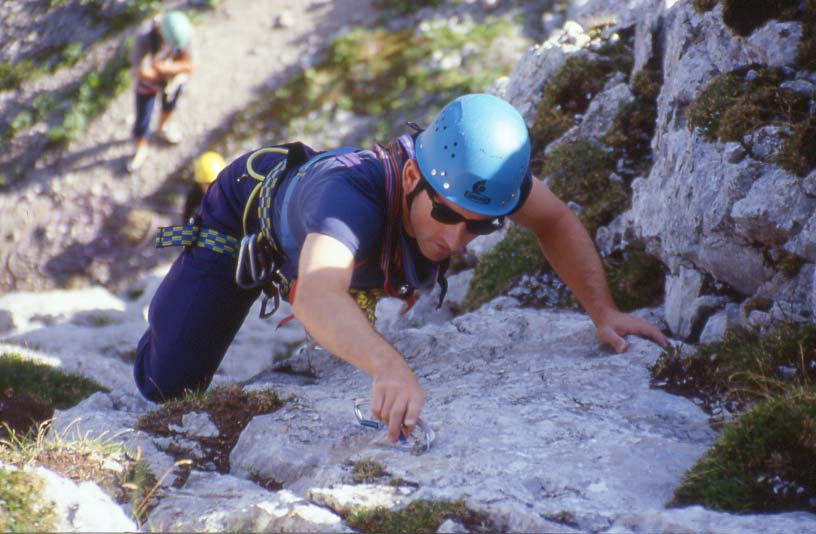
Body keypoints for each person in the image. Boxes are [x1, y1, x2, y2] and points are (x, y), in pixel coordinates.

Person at [136, 93, 668, 443]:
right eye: (444, 214)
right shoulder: (351, 200)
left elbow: (555, 221)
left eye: (481, 226)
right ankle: (160, 317)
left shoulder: (474, 182)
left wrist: (604, 311)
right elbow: (316, 296)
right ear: (412, 173)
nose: (456, 239)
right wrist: (388, 366)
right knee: (166, 385)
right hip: (244, 216)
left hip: (327, 229)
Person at [126, 11, 194, 173]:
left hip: (173, 82)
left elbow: (190, 65)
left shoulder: (185, 33)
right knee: (142, 118)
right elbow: (140, 71)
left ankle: (162, 128)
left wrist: (164, 68)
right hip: (148, 85)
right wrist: (166, 71)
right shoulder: (144, 38)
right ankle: (141, 146)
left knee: (169, 107)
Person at [183, 151, 226, 222]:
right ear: (200, 184)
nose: (213, 188)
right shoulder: (194, 199)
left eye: (216, 183)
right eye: (208, 184)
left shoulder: (231, 194)